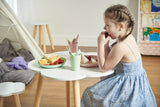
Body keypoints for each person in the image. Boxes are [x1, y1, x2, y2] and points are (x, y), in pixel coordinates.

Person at [81, 4, 157, 107]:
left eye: (107, 25)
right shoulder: (129, 38)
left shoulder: (121, 46)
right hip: (135, 80)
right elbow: (110, 58)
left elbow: (104, 68)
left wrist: (100, 43)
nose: (104, 27)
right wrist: (106, 45)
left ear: (121, 26)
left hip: (127, 85)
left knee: (90, 93)